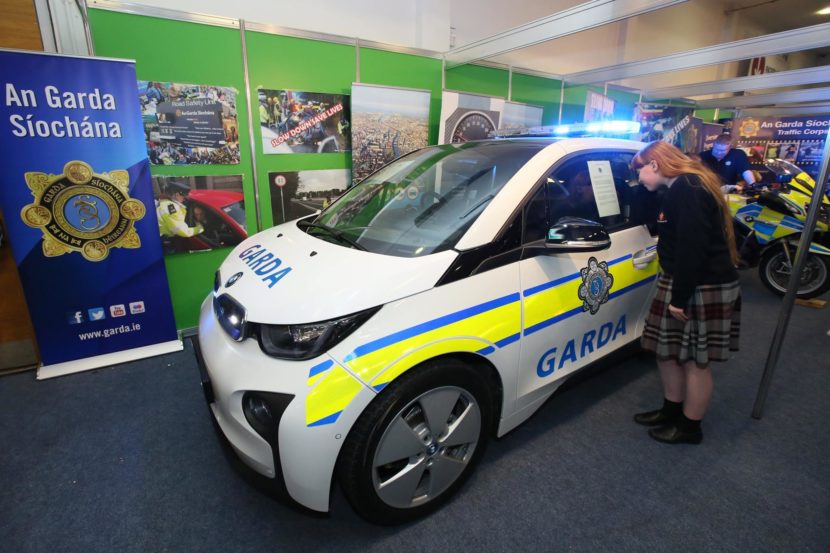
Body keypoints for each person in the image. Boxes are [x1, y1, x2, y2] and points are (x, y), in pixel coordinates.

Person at [631, 141, 741, 445]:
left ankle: (690, 427)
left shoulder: (689, 188)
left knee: (695, 361)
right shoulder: (679, 187)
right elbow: (650, 216)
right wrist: (645, 187)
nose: (637, 179)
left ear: (654, 164)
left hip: (700, 285)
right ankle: (671, 410)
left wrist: (679, 298)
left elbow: (693, 248)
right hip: (685, 280)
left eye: (639, 171)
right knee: (667, 353)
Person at [157, 180, 204, 252]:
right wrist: (199, 228)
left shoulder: (164, 202)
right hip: (166, 242)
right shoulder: (171, 208)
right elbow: (184, 232)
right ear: (177, 195)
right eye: (183, 196)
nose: (184, 198)